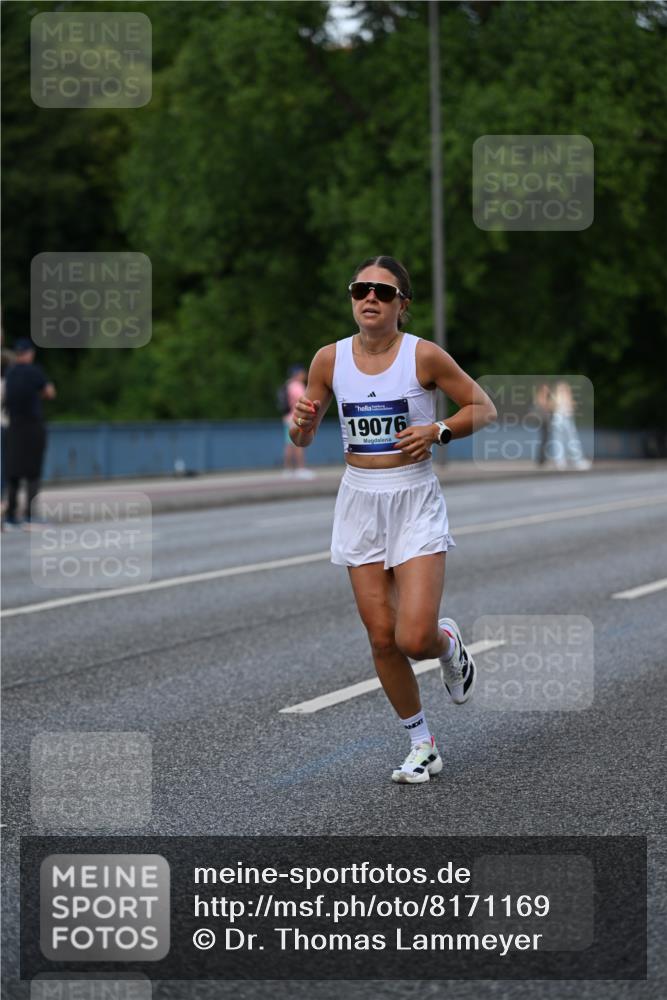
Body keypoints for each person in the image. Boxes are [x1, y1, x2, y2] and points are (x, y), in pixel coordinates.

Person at [289, 256, 496, 784]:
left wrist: (439, 431)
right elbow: (303, 436)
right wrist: (301, 428)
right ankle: (421, 744)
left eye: (382, 291)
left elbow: (483, 407)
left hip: (414, 498)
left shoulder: (422, 355)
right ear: (352, 298)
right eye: (360, 289)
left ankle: (446, 644)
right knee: (382, 638)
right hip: (360, 500)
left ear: (402, 304)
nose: (370, 298)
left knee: (414, 635)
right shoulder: (328, 361)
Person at [3, 338, 56, 528]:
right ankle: (30, 516)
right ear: (30, 353)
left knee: (13, 473)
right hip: (32, 426)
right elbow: (50, 392)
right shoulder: (35, 372)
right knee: (33, 473)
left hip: (14, 426)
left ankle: (10, 517)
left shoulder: (10, 373)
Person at [282, 364, 315, 479]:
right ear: (298, 374)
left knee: (289, 445)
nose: (304, 375)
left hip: (288, 418)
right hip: (297, 418)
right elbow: (304, 401)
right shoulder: (297, 386)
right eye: (302, 373)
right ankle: (300, 469)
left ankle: (288, 470)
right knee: (299, 443)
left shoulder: (288, 385)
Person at [550, 380, 591, 471]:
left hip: (560, 418)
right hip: (562, 418)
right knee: (570, 440)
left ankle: (562, 462)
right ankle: (575, 461)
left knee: (562, 441)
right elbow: (570, 408)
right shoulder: (562, 398)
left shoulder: (557, 397)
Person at [532, 382, 553, 467]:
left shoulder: (546, 398)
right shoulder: (540, 397)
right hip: (542, 421)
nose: (547, 390)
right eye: (546, 388)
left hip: (546, 421)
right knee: (543, 440)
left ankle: (542, 459)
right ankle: (540, 459)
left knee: (545, 440)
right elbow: (545, 407)